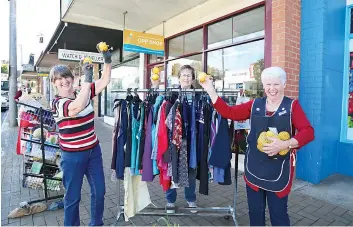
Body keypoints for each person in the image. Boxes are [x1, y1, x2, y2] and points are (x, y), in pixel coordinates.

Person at [199, 66, 315, 226]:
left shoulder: (292, 106)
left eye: (276, 84)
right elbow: (229, 112)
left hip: (279, 171)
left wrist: (286, 144)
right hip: (254, 169)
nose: (272, 89)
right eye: (268, 84)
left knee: (279, 215)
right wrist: (210, 90)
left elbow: (308, 132)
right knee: (255, 214)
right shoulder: (255, 105)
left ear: (284, 84)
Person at [49, 44, 112, 226]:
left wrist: (107, 59)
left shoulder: (81, 91)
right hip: (72, 157)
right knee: (73, 198)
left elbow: (105, 79)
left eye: (66, 76)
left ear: (72, 78)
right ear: (54, 83)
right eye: (58, 79)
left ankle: (96, 224)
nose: (64, 81)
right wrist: (88, 78)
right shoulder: (57, 103)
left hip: (93, 152)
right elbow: (76, 107)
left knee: (99, 192)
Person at [151, 65, 198, 213]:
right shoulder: (171, 93)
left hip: (191, 136)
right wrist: (155, 87)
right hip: (173, 137)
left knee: (191, 168)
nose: (186, 78)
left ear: (193, 78)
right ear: (179, 78)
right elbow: (158, 104)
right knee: (172, 168)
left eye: (189, 75)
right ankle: (170, 200)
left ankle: (191, 200)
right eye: (183, 75)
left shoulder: (198, 95)